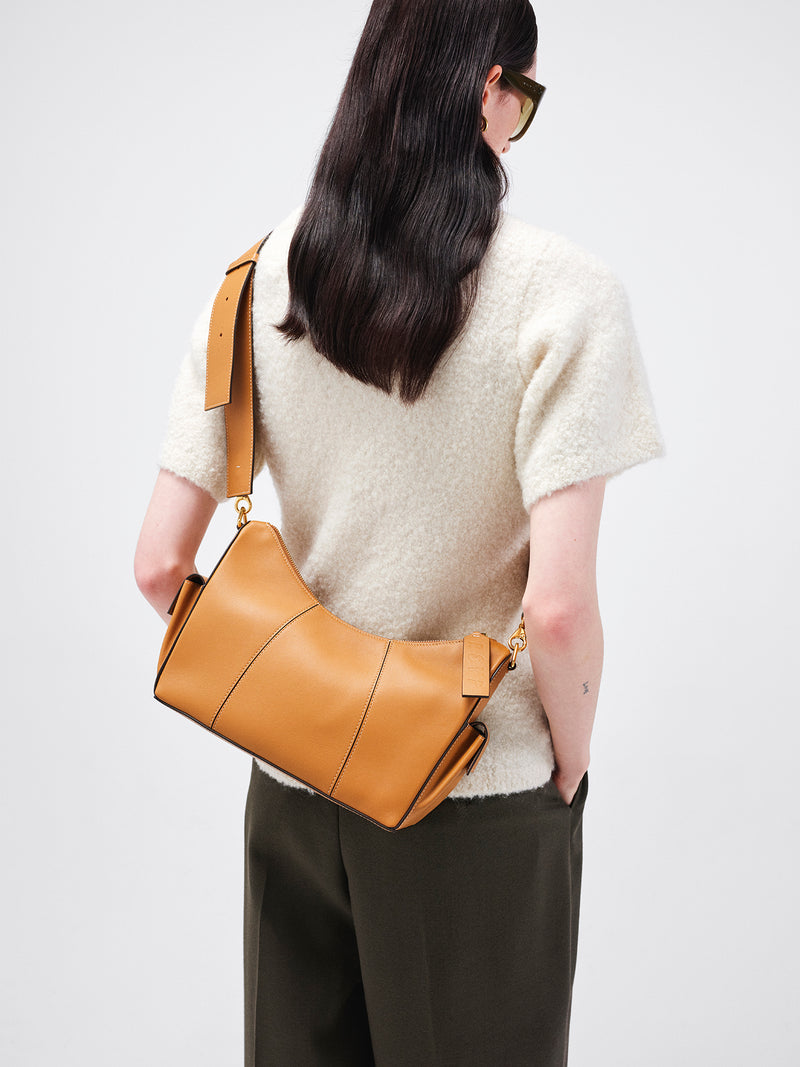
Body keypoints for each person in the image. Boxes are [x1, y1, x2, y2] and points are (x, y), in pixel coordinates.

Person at [135, 1, 662, 1062]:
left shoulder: (257, 280)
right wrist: (569, 761)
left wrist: (297, 686)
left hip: (292, 782)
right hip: (475, 789)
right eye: (524, 99)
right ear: (489, 88)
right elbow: (558, 610)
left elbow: (158, 565)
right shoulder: (564, 295)